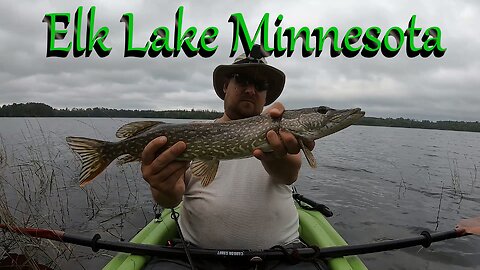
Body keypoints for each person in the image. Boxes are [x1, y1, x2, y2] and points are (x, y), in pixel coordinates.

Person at [141, 45, 326, 270]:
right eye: (242, 80)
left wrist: (277, 156)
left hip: (279, 258)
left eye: (260, 85)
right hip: (197, 258)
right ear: (225, 85)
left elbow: (289, 173)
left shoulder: (283, 138)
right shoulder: (194, 136)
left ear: (267, 96)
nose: (250, 89)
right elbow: (170, 200)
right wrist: (163, 189)